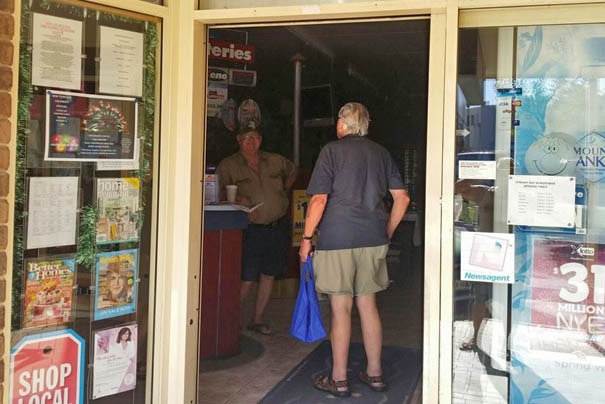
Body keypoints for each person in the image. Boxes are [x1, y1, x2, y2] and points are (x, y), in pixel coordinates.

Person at [298, 102, 410, 397]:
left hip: (337, 239)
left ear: (342, 124)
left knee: (341, 308)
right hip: (372, 238)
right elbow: (402, 199)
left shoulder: (331, 152)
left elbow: (319, 200)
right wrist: (385, 231)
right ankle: (375, 374)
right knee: (368, 305)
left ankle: (339, 378)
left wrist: (306, 238)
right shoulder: (381, 153)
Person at [217, 120, 298, 336]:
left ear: (260, 140)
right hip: (250, 228)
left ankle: (257, 319)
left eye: (254, 137)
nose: (250, 142)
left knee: (269, 273)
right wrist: (239, 199)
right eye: (246, 138)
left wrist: (283, 188)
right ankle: (229, 321)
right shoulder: (229, 165)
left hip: (276, 225)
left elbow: (292, 171)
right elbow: (218, 193)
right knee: (247, 276)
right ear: (238, 140)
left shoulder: (274, 160)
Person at [454, 179, 495, 351]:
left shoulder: (520, 192)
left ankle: (506, 342)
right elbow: (457, 187)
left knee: (508, 299)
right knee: (479, 297)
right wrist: (480, 174)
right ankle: (476, 337)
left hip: (512, 248)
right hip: (486, 248)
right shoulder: (486, 192)